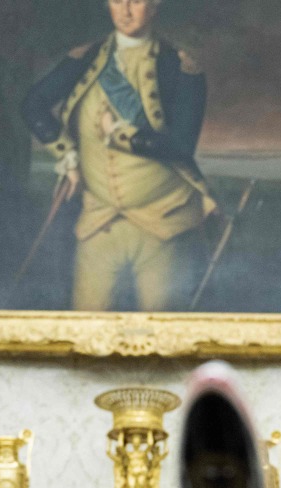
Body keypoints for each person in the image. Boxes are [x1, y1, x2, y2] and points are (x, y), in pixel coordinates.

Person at [21, 0, 216, 311]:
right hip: (97, 221)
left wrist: (120, 134)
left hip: (162, 222)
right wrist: (67, 154)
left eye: (136, 1)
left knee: (161, 332)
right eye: (116, 1)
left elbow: (181, 146)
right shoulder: (84, 59)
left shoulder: (180, 67)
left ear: (154, 6)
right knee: (86, 328)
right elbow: (33, 104)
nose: (125, 11)